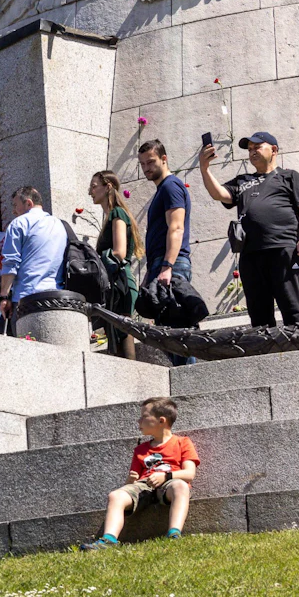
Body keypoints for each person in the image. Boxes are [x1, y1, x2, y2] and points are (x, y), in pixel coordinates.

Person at [199, 131, 299, 328]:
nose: (252, 151)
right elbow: (219, 194)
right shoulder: (242, 181)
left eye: (257, 147)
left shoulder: (289, 176)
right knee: (259, 318)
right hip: (251, 255)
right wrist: (204, 168)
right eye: (250, 149)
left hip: (283, 250)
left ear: (274, 150)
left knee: (292, 310)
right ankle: (265, 357)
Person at [80, 397, 198, 550]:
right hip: (144, 486)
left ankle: (174, 533)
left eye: (144, 416)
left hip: (170, 483)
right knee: (115, 496)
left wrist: (166, 476)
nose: (139, 420)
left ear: (161, 420)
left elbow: (189, 473)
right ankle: (108, 540)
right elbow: (132, 484)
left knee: (181, 487)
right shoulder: (140, 450)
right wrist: (130, 479)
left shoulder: (182, 442)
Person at [138, 140, 193, 363]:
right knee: (169, 332)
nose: (146, 168)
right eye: (142, 164)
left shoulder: (171, 186)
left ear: (164, 159)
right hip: (162, 264)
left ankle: (187, 381)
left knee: (176, 332)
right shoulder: (163, 189)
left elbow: (177, 227)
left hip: (172, 264)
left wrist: (167, 266)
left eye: (150, 162)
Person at [0, 186, 68, 330]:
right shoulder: (59, 225)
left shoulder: (19, 223)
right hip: (56, 297)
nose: (13, 211)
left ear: (28, 203)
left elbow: (10, 263)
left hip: (26, 298)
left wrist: (4, 296)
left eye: (15, 205)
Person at [90, 170, 143, 357]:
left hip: (120, 284)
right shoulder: (111, 215)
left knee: (122, 334)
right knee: (117, 335)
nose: (90, 191)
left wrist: (95, 260)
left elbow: (119, 252)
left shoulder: (118, 213)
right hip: (117, 284)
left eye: (94, 186)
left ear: (108, 187)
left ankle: (132, 379)